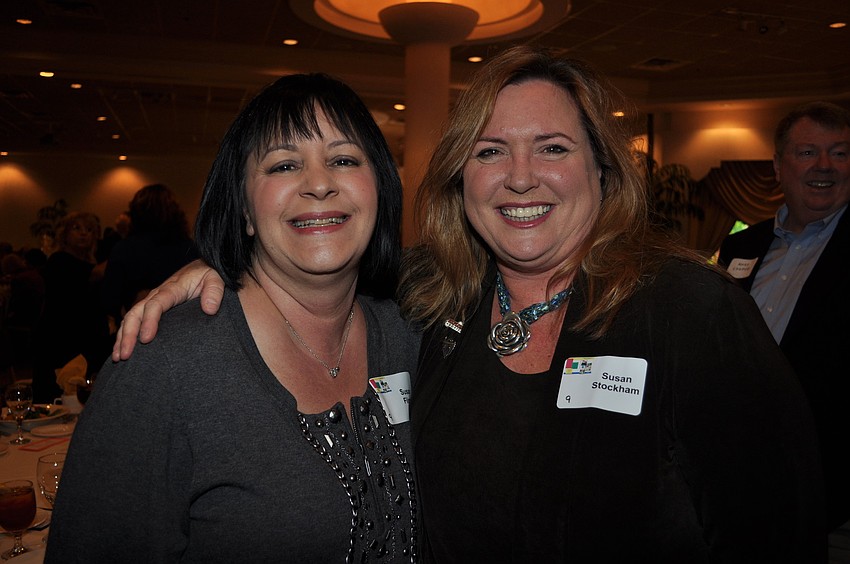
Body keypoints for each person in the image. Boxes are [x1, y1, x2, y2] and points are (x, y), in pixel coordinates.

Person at [113, 47, 824, 562]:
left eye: (550, 147)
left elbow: (778, 531)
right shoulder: (432, 302)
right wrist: (218, 267)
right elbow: (316, 258)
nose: (519, 178)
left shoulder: (688, 310)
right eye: (489, 152)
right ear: (460, 178)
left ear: (602, 171)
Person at [46, 73, 420, 563]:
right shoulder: (162, 366)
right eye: (284, 164)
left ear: (380, 189)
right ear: (244, 210)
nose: (320, 183)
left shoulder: (412, 329)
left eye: (344, 159)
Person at [719, 101, 850, 536]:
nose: (825, 166)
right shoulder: (741, 246)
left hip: (829, 487)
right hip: (738, 476)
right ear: (778, 165)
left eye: (841, 152)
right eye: (808, 152)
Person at [32, 211, 110, 402]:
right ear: (65, 234)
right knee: (60, 396)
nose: (83, 233)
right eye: (77, 228)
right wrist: (125, 254)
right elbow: (92, 275)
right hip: (62, 340)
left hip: (84, 339)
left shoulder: (90, 263)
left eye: (89, 230)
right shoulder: (59, 260)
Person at [100, 183, 198, 331]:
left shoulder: (125, 248)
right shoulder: (190, 248)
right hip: (182, 329)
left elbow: (109, 300)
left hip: (137, 329)